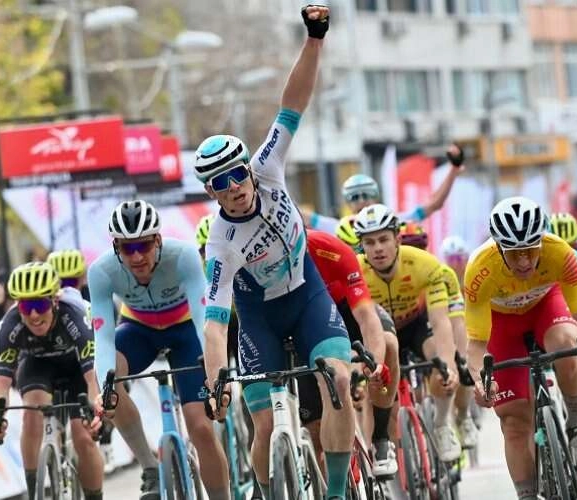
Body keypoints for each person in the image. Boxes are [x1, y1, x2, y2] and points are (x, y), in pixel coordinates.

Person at [195, 7, 355, 500]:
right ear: (211, 192)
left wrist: (314, 39)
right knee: (263, 424)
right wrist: (216, 381)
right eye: (219, 183)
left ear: (248, 168)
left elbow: (293, 104)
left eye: (235, 174)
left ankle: (335, 492)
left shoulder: (268, 166)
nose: (233, 187)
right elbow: (215, 322)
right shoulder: (220, 242)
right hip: (259, 317)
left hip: (307, 296)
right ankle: (266, 492)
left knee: (338, 381)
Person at [467, 197, 577, 500]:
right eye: (514, 253)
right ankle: (527, 494)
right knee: (513, 422)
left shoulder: (560, 253)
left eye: (531, 250)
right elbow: (476, 345)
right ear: (498, 247)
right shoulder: (479, 269)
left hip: (547, 306)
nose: (524, 262)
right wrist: (480, 382)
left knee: (567, 343)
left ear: (542, 240)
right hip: (502, 324)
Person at [88, 200, 229, 500]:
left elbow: (203, 321)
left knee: (201, 429)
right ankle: (150, 466)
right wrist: (105, 388)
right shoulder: (101, 271)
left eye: (144, 245)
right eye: (127, 248)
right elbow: (103, 338)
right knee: (111, 384)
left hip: (186, 331)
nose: (137, 256)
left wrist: (213, 374)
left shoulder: (184, 256)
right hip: (139, 331)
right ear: (116, 248)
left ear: (158, 240)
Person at [353, 204, 461, 462]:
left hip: (415, 326)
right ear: (362, 247)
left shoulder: (424, 264)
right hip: (378, 332)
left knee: (441, 365)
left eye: (383, 240)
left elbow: (440, 321)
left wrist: (449, 366)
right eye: (370, 243)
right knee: (372, 390)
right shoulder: (355, 271)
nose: (377, 248)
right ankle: (379, 454)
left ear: (397, 240)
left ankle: (442, 424)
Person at [0, 262, 103, 500]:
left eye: (40, 305)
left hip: (77, 367)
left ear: (54, 301)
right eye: (26, 306)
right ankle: (33, 491)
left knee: (83, 436)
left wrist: (96, 412)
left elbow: (92, 377)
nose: (33, 315)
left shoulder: (74, 315)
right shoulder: (9, 325)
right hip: (37, 365)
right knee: (31, 414)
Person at [305, 229, 399, 477]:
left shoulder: (330, 249)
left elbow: (367, 317)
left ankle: (381, 439)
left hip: (347, 309)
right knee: (315, 429)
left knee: (387, 343)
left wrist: (374, 365)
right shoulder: (263, 256)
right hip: (307, 320)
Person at [398, 222, 478, 447]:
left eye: (418, 248)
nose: (412, 254)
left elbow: (456, 322)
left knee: (459, 364)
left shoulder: (441, 273)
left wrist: (460, 357)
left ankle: (463, 416)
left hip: (430, 326)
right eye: (406, 247)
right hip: (403, 328)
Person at [304, 145, 465, 234]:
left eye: (366, 195)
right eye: (354, 197)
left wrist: (453, 170)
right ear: (347, 203)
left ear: (376, 197)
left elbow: (433, 204)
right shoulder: (338, 229)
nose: (362, 201)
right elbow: (300, 215)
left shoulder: (394, 222)